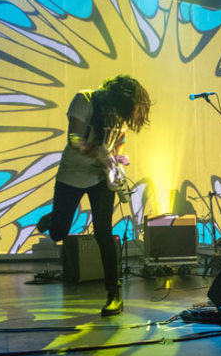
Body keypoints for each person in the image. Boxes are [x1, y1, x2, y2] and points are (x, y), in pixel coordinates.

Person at [37, 75, 151, 316]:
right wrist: (97, 153)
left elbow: (118, 141)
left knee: (104, 233)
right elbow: (74, 138)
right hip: (72, 175)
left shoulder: (119, 114)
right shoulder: (84, 99)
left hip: (100, 180)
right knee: (59, 232)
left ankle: (114, 294)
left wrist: (118, 160)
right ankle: (55, 218)